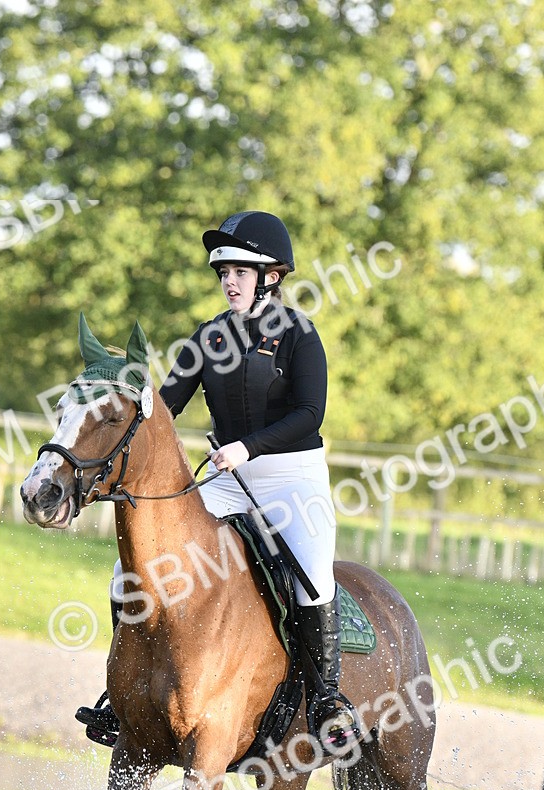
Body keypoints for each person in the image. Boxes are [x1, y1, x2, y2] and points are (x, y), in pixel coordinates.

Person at [77, 210, 356, 750]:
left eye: (240, 271)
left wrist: (247, 447)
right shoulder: (208, 338)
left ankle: (326, 699)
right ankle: (124, 692)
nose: (229, 281)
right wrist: (122, 396)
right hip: (226, 478)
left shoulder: (300, 334)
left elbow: (309, 413)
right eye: (223, 271)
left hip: (290, 478)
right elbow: (163, 407)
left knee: (312, 576)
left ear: (271, 276)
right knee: (126, 571)